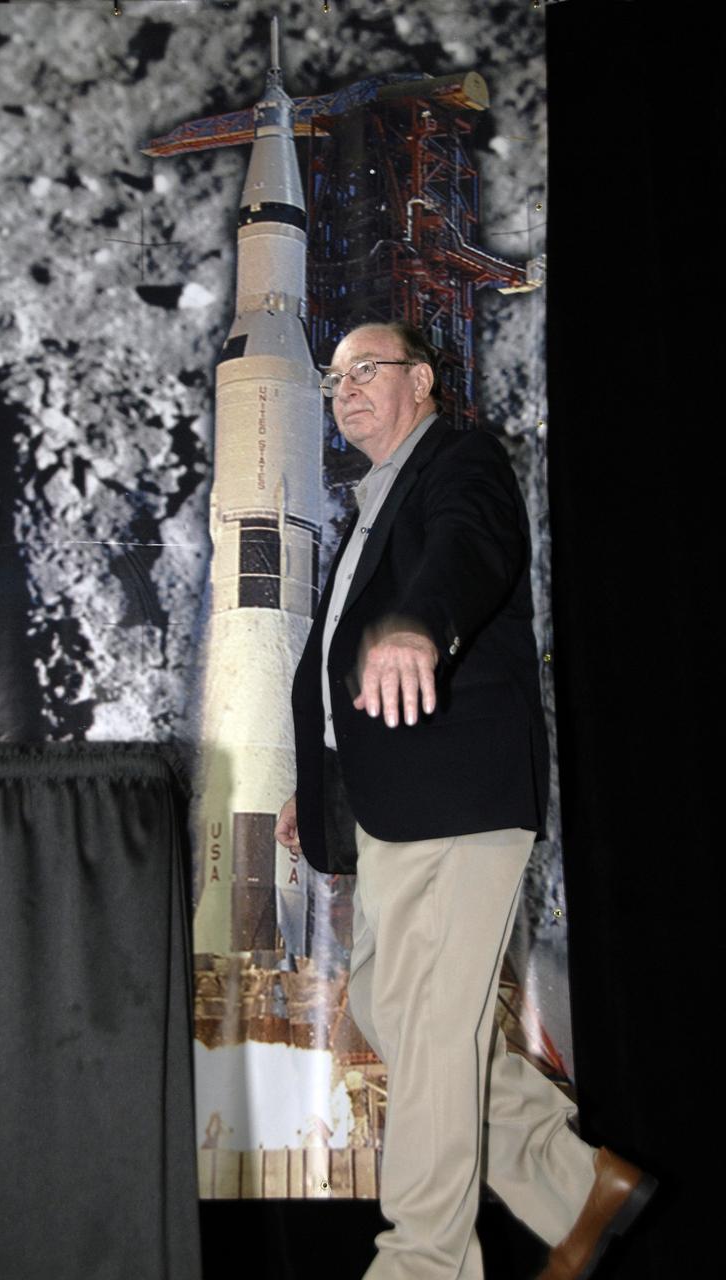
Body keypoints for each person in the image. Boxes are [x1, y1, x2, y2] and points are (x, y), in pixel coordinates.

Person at [275, 322, 656, 1280]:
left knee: (433, 1025)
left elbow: (470, 546)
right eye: (334, 378)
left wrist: (416, 625)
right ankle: (575, 1184)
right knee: (393, 1008)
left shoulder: (460, 459)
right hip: (397, 799)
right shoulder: (367, 505)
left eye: (370, 369)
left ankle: (423, 1260)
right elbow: (335, 672)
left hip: (457, 792)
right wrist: (313, 783)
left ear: (424, 381)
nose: (347, 389)